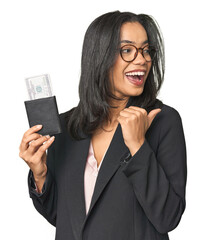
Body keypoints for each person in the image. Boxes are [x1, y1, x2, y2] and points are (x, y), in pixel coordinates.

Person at [19, 10, 187, 240]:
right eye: (127, 50)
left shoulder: (163, 121)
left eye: (146, 50)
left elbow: (168, 217)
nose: (142, 59)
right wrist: (40, 175)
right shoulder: (67, 126)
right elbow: (63, 217)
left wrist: (138, 146)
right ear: (100, 56)